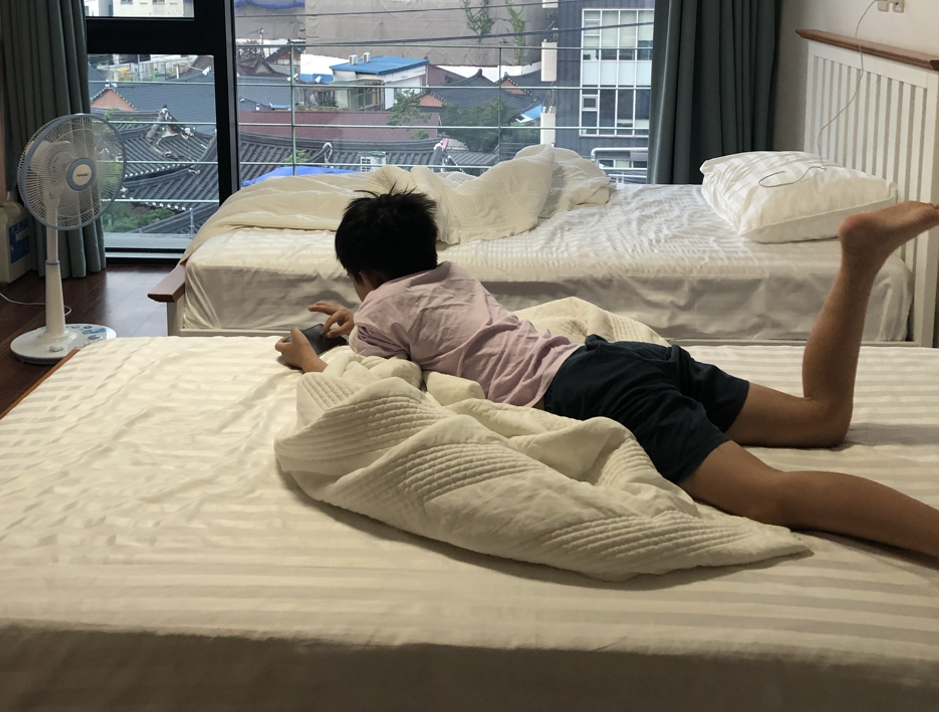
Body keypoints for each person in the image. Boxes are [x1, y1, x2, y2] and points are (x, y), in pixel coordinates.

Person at [276, 190, 939, 561]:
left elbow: (376, 381)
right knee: (822, 418)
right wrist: (361, 317)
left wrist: (313, 360)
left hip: (588, 393)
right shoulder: (452, 274)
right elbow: (416, 319)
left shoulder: (377, 313)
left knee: (770, 497)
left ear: (362, 278)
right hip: (616, 360)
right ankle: (859, 259)